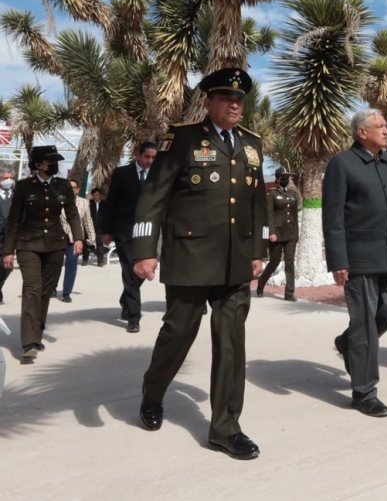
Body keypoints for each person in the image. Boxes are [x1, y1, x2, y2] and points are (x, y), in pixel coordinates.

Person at [132, 68, 267, 460]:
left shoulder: (252, 144)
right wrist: (144, 249)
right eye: (226, 97)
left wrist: (258, 250)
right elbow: (153, 196)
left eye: (239, 99)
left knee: (231, 343)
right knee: (178, 333)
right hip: (190, 258)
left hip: (236, 262)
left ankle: (226, 428)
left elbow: (257, 202)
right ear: (208, 101)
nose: (234, 104)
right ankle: (153, 391)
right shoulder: (184, 138)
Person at [323, 109, 387, 418]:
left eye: (386, 126)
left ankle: (347, 344)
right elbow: (332, 217)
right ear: (362, 132)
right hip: (357, 259)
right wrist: (338, 259)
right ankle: (364, 391)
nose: (386, 131)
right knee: (365, 323)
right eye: (380, 126)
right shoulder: (342, 165)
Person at [1, 146, 83, 361]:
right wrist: (8, 251)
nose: (55, 164)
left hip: (55, 245)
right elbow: (14, 220)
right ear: (38, 164)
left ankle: (36, 336)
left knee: (46, 291)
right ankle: (28, 342)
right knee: (32, 289)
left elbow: (72, 214)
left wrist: (79, 238)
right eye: (50, 161)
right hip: (28, 244)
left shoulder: (63, 186)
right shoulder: (24, 187)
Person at [100, 141, 157, 332]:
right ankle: (134, 317)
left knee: (141, 271)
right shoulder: (121, 174)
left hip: (149, 232)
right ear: (138, 155)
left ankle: (126, 298)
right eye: (147, 157)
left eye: (153, 157)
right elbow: (110, 202)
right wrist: (106, 230)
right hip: (125, 230)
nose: (150, 161)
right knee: (130, 272)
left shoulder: (158, 176)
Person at [257, 167, 300, 301]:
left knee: (289, 263)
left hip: (291, 233)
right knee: (274, 262)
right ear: (277, 179)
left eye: (287, 177)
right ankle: (261, 283)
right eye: (283, 177)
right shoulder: (271, 194)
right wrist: (271, 232)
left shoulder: (293, 194)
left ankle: (289, 292)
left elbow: (294, 215)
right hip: (277, 233)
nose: (285, 179)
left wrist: (296, 233)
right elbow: (269, 214)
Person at [59, 177, 96, 302]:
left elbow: (87, 221)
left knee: (71, 265)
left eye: (74, 187)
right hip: (58, 236)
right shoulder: (58, 200)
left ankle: (66, 292)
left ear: (78, 189)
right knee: (54, 264)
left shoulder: (84, 202)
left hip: (75, 237)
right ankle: (52, 287)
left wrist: (92, 238)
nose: (71, 189)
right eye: (69, 187)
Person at [0, 168, 15, 304]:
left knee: (7, 268)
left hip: (10, 238)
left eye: (10, 177)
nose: (8, 180)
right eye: (5, 178)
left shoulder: (17, 196)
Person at [83, 187, 105, 266]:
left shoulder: (104, 204)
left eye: (97, 195)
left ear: (100, 195)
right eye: (94, 195)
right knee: (87, 244)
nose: (96, 196)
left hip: (100, 228)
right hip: (89, 227)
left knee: (100, 244)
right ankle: (85, 260)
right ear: (92, 195)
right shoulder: (89, 203)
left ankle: (100, 261)